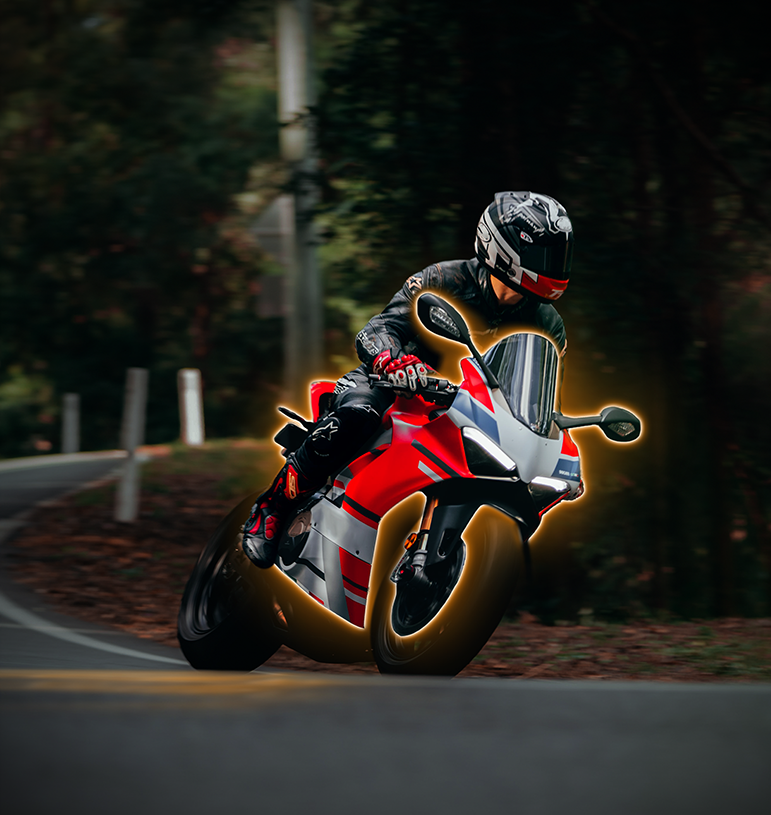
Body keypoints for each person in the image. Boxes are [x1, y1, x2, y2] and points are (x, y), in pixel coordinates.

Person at [241, 190, 574, 575]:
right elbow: (377, 330)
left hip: (477, 417)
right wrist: (392, 360)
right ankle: (273, 506)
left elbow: (544, 399)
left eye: (558, 253)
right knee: (357, 416)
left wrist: (556, 450)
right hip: (393, 387)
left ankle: (429, 551)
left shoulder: (548, 324)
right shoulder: (442, 279)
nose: (553, 264)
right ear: (506, 247)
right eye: (545, 254)